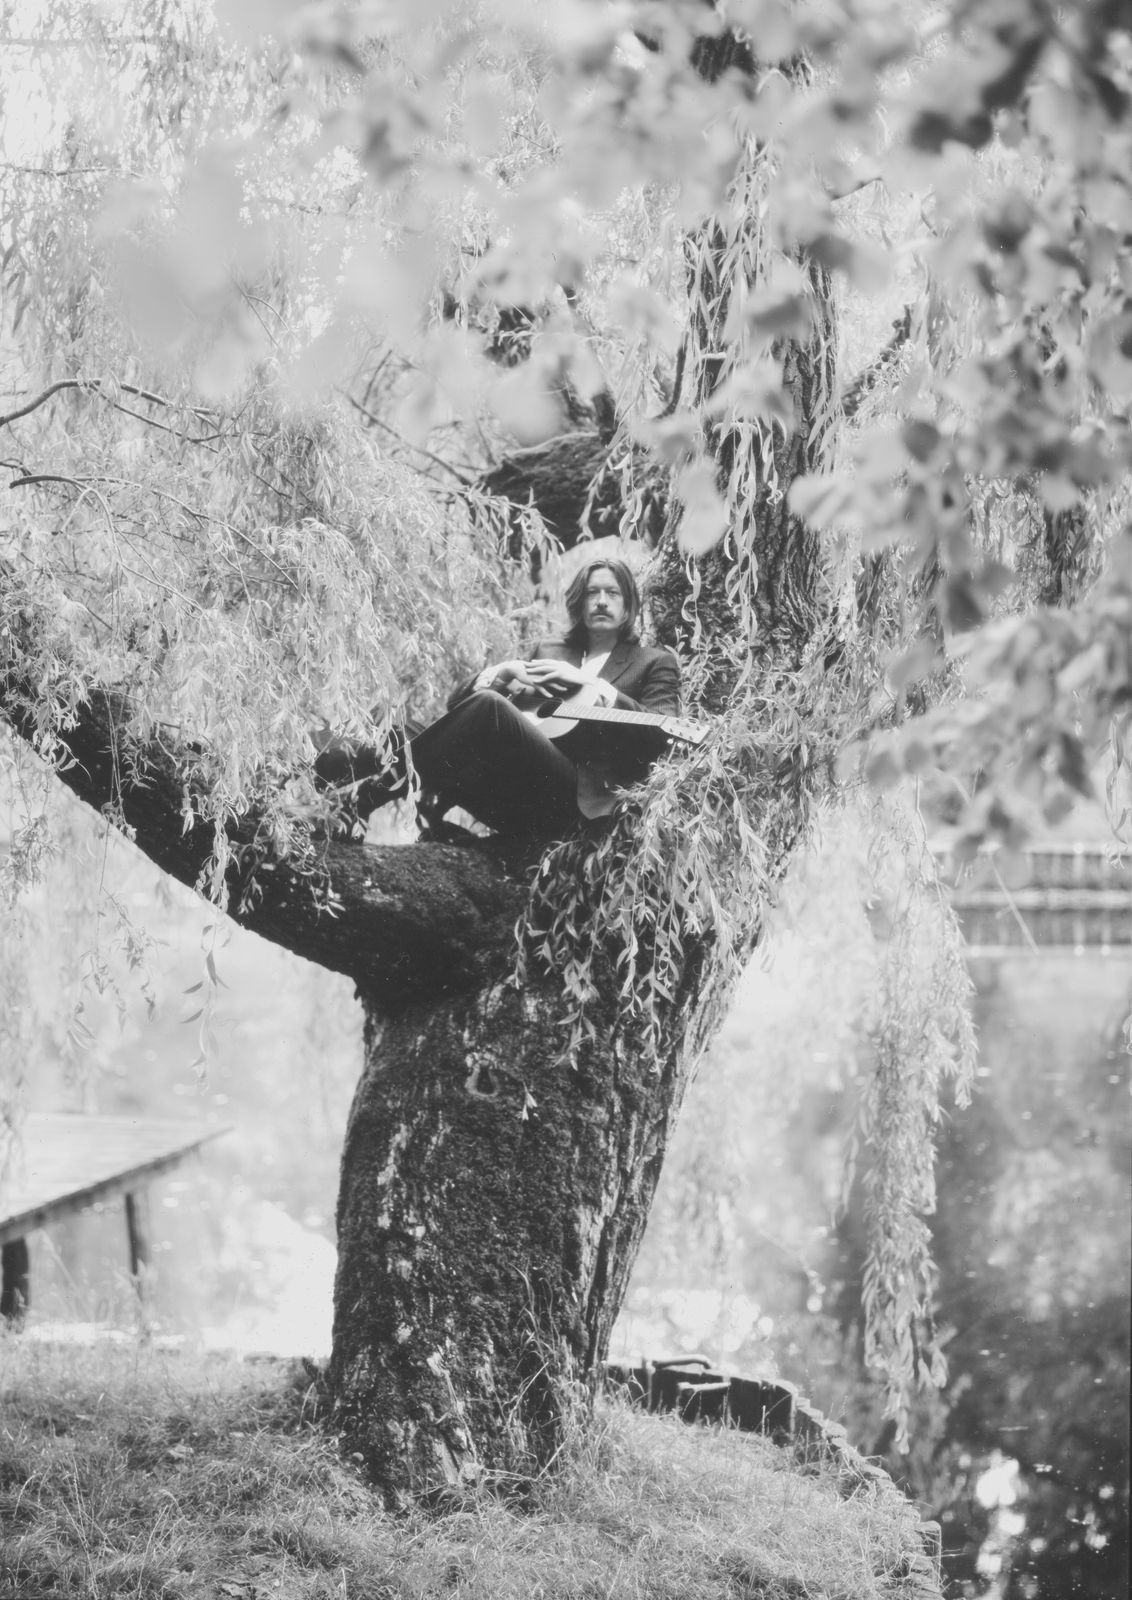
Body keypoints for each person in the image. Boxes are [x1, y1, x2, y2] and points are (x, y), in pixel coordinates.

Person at [313, 558, 682, 843]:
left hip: (571, 804)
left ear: (629, 605)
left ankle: (359, 805)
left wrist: (594, 686)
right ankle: (309, 775)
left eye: (612, 593)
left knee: (489, 707)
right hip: (506, 788)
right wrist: (500, 672)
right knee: (402, 729)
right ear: (578, 602)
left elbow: (665, 735)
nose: (601, 601)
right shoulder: (551, 651)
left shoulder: (654, 662)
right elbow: (458, 711)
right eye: (591, 592)